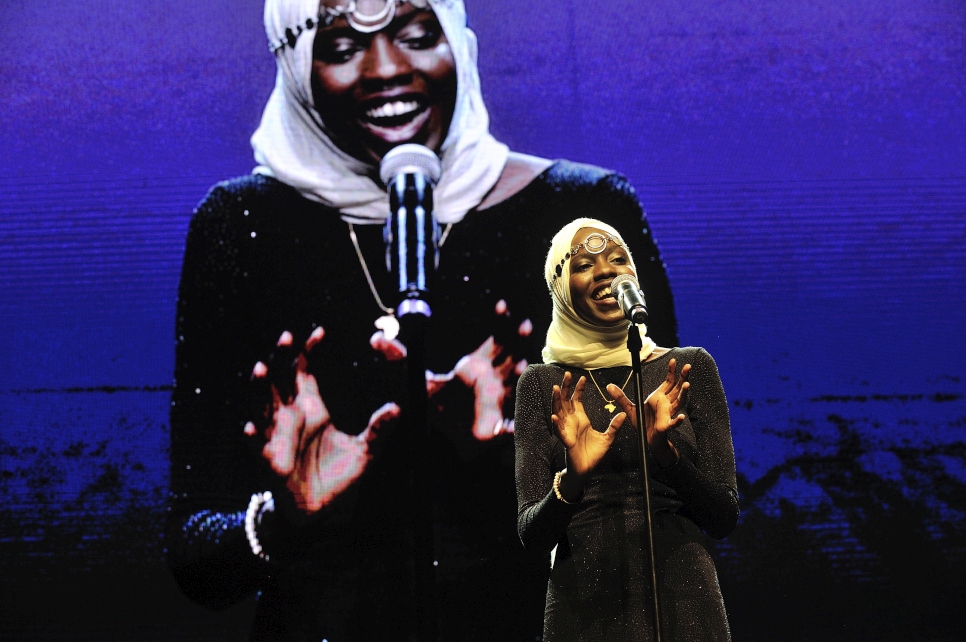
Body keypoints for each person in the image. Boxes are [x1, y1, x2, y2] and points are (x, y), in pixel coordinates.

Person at [167, 1, 677, 640]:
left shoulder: (583, 217)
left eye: (415, 34)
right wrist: (284, 519)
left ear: (456, 42)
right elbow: (194, 561)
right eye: (342, 46)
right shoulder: (240, 229)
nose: (387, 68)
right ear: (297, 66)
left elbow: (676, 517)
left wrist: (535, 471)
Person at [514, 218, 738, 641]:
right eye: (583, 264)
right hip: (584, 612)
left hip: (686, 605)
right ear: (560, 289)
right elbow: (532, 535)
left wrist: (667, 459)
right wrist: (574, 478)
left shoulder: (687, 369)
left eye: (619, 260)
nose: (606, 271)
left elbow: (724, 516)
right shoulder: (544, 385)